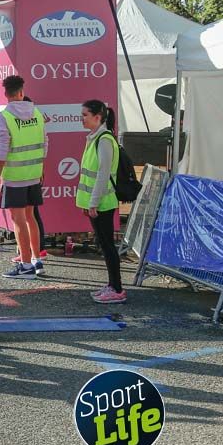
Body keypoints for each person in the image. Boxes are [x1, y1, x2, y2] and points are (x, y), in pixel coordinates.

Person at [0, 75, 47, 279]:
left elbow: (4, 149)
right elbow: (45, 141)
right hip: (33, 172)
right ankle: (36, 259)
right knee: (30, 217)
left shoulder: (4, 116)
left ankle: (25, 266)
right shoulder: (37, 112)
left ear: (6, 94)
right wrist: (43, 167)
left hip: (15, 175)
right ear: (22, 92)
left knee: (19, 220)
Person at [78, 100, 126, 304]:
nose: (82, 119)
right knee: (105, 245)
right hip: (98, 202)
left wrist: (93, 203)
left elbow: (103, 174)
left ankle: (117, 288)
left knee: (107, 246)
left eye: (85, 115)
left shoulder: (104, 140)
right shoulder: (95, 138)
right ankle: (112, 285)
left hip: (103, 203)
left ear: (98, 117)